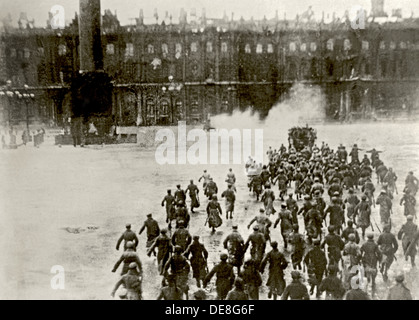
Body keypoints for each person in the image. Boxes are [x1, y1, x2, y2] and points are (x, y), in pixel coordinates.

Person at [360, 233, 382, 298]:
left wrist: (361, 258)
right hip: (373, 258)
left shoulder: (364, 244)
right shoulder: (375, 244)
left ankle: (367, 279)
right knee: (373, 268)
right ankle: (373, 281)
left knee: (366, 268)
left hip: (366, 257)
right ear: (372, 237)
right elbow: (379, 253)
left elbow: (360, 251)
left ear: (367, 237)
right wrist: (379, 259)